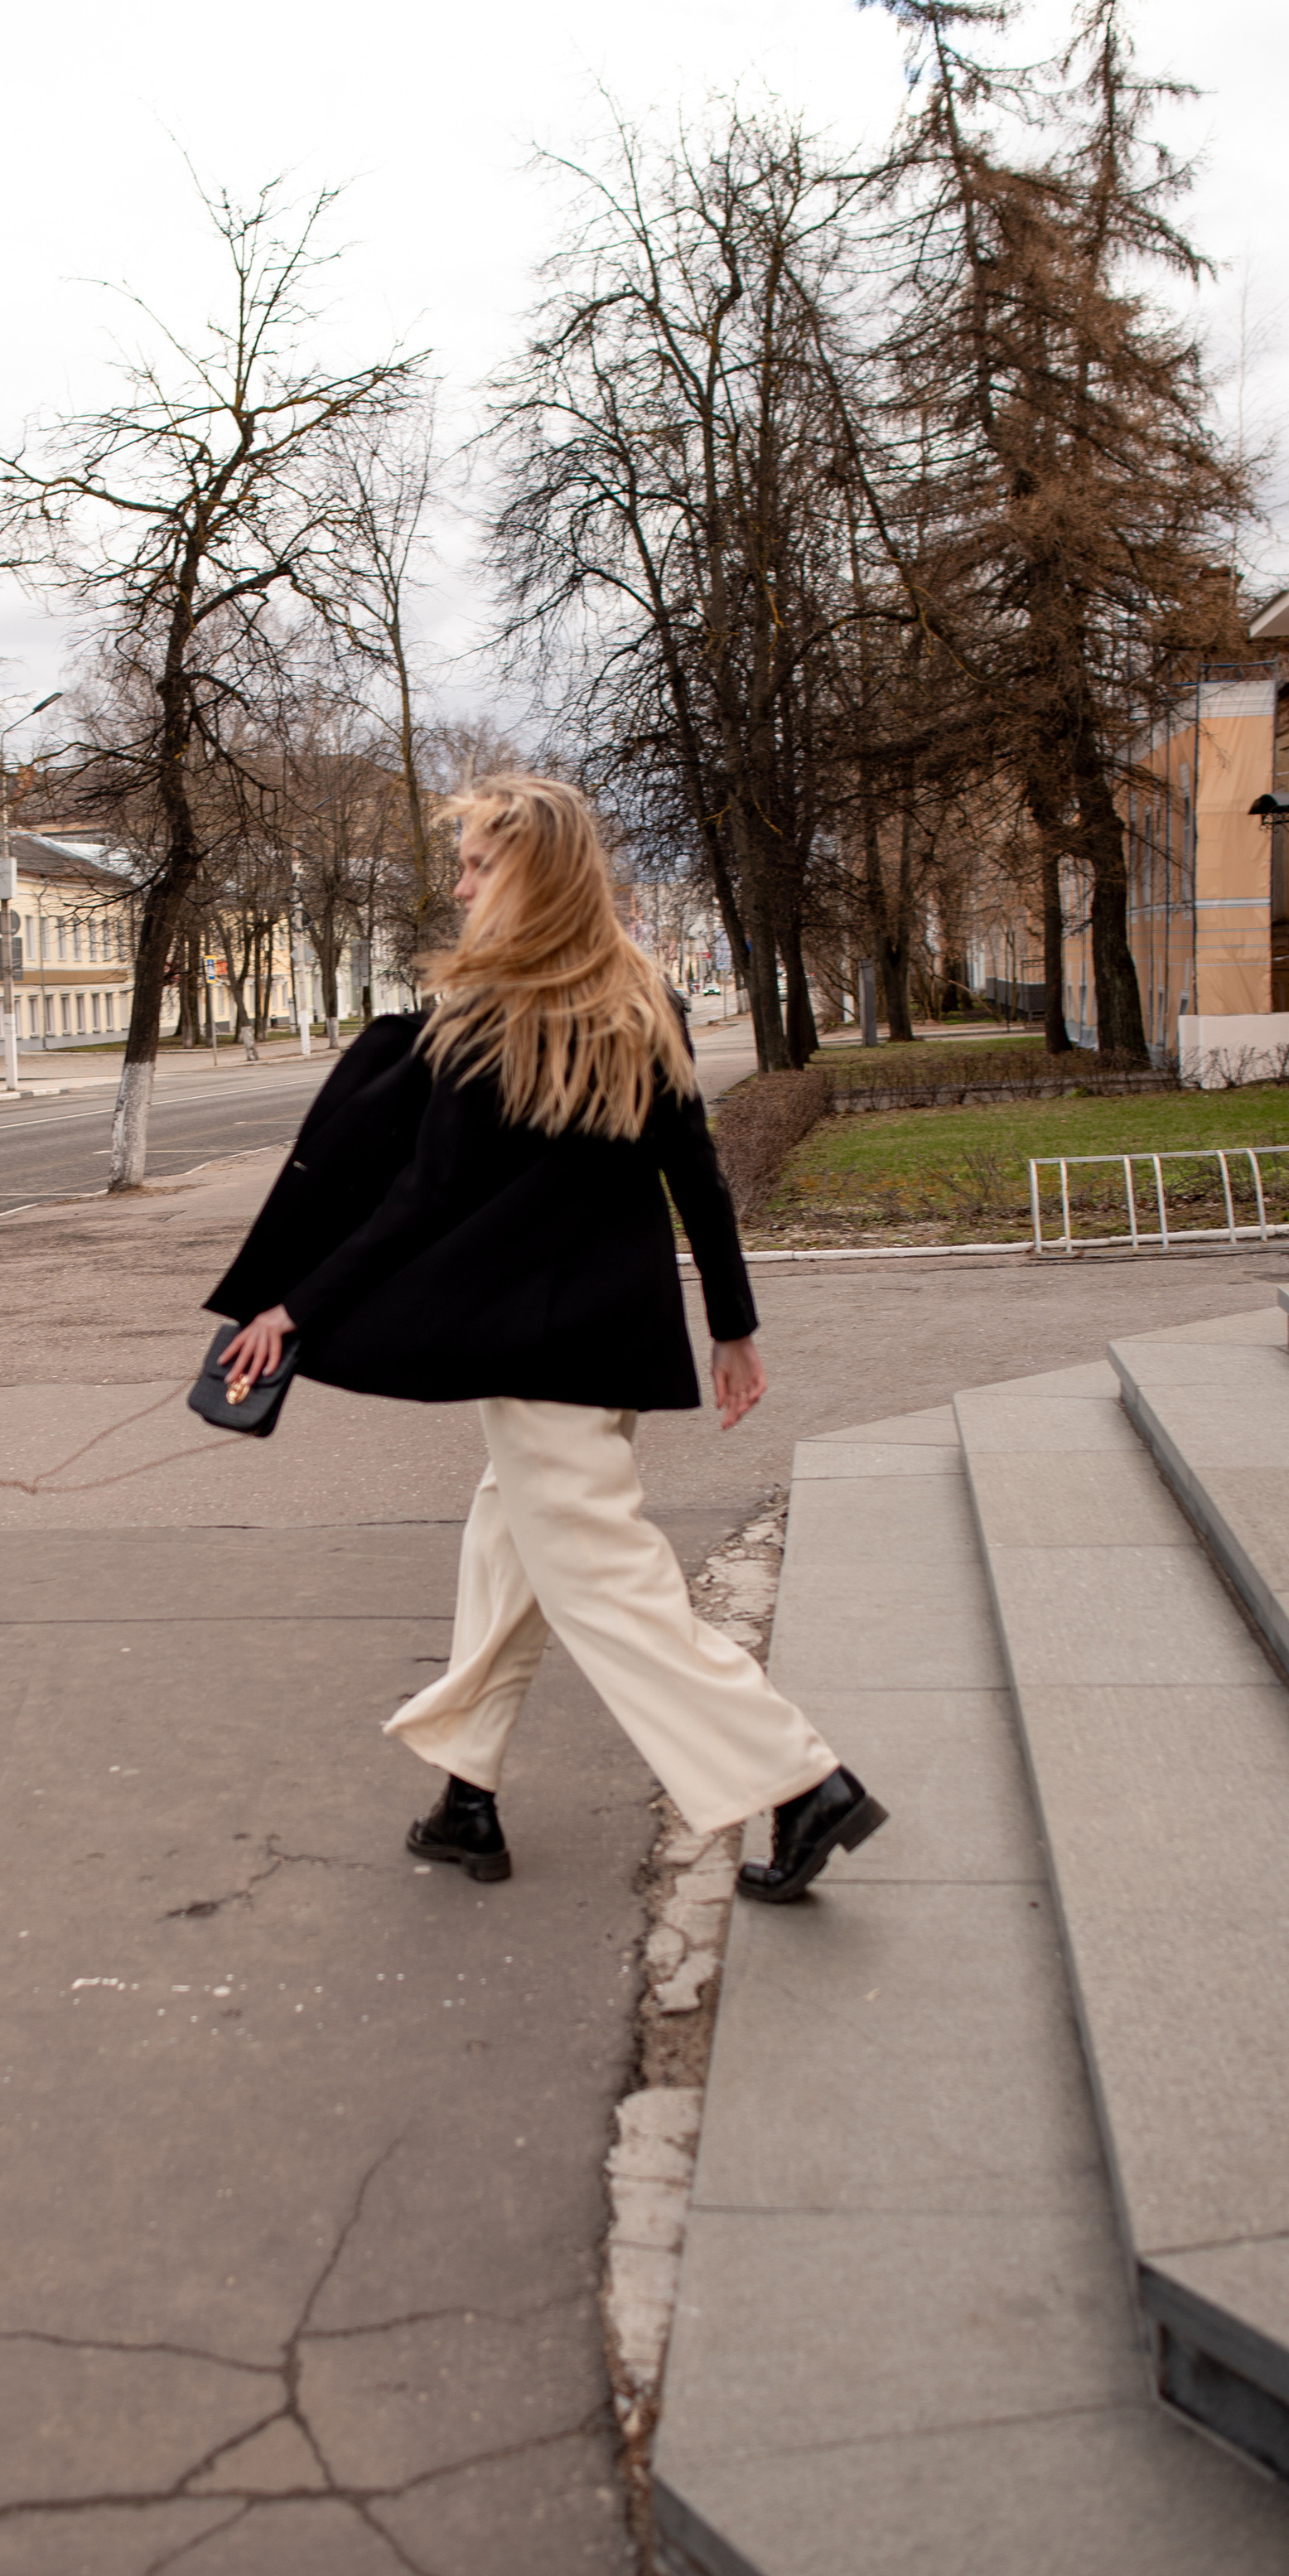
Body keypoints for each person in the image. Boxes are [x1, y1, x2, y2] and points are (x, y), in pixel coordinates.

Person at [209, 775, 886, 1902]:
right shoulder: (642, 998)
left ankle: (799, 1783)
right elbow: (697, 1175)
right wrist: (731, 1324)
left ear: (533, 876)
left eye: (478, 865)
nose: (462, 885)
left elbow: (417, 1203)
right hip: (604, 1350)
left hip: (535, 1358)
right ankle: (467, 1796)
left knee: (609, 1588)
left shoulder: (492, 1015)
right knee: (506, 1545)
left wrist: (295, 1305)